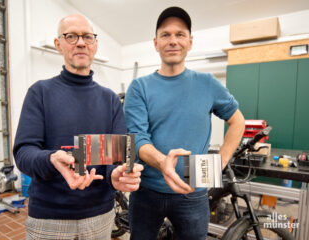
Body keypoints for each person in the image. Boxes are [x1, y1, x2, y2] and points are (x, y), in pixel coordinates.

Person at [13, 14, 143, 240]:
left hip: (100, 217)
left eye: (87, 37)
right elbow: (23, 153)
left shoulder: (110, 100)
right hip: (49, 219)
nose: (81, 42)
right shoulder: (40, 93)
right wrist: (52, 159)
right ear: (58, 44)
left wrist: (117, 176)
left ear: (95, 44)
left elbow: (116, 158)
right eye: (71, 36)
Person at [124, 6, 245, 240]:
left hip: (194, 191)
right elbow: (138, 138)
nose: (173, 41)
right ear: (155, 42)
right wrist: (163, 163)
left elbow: (237, 121)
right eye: (165, 35)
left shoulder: (207, 83)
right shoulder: (139, 87)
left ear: (190, 42)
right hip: (147, 190)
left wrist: (220, 161)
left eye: (180, 34)